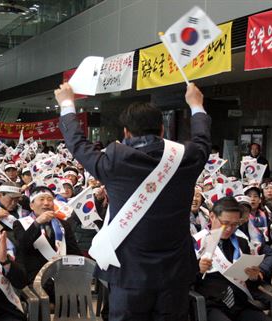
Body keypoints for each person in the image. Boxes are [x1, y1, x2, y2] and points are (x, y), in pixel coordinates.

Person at [54, 82, 210, 320]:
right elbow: (202, 139)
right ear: (162, 130)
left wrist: (67, 103)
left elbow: (77, 143)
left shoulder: (114, 162)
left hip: (128, 271)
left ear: (126, 131)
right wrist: (196, 105)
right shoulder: (187, 158)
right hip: (175, 270)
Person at [194, 197, 272, 321]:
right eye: (224, 223)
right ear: (212, 216)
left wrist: (253, 277)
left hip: (239, 304)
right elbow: (182, 282)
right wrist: (199, 270)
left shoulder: (241, 243)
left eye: (235, 224)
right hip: (210, 305)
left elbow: (250, 284)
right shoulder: (196, 242)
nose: (229, 229)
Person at [12, 186, 80, 284]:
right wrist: (37, 223)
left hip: (62, 275)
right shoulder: (20, 223)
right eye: (42, 199)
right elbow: (22, 246)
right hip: (35, 278)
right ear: (31, 205)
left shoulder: (63, 224)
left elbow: (74, 250)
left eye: (50, 200)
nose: (46, 203)